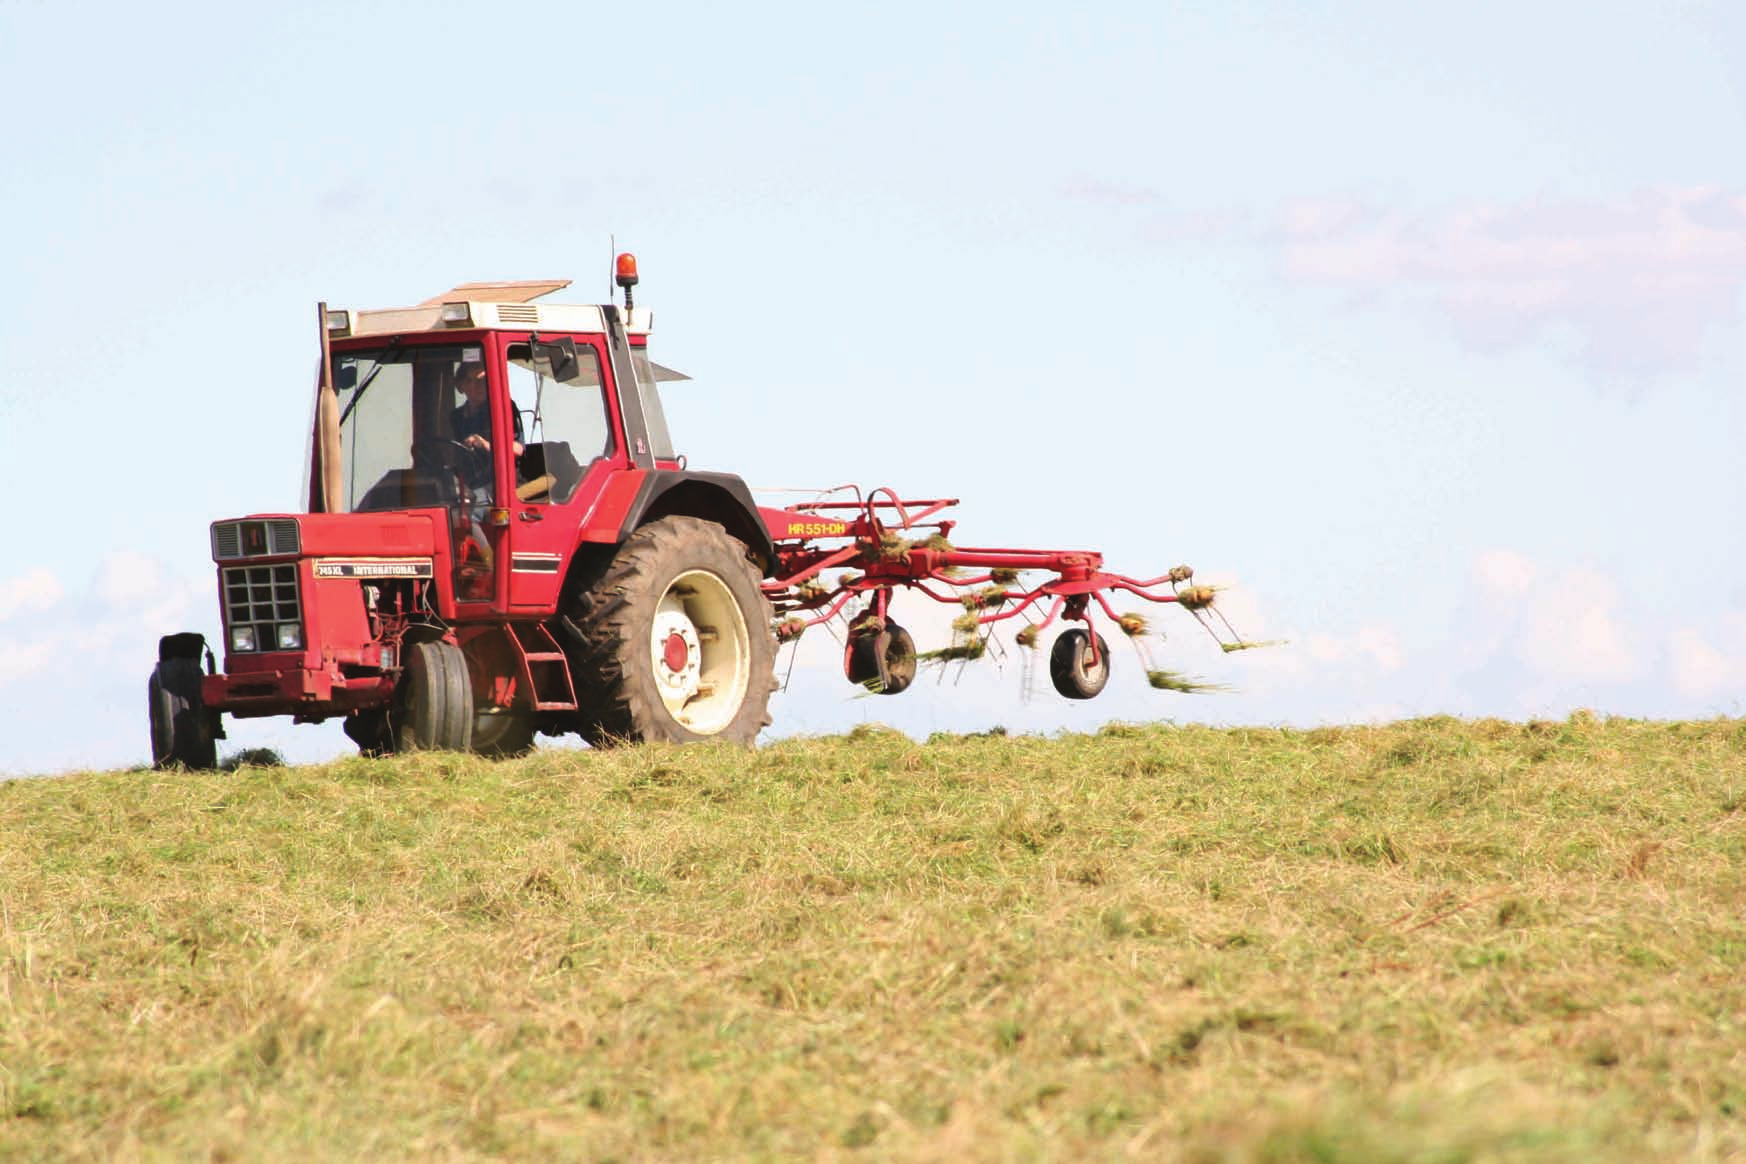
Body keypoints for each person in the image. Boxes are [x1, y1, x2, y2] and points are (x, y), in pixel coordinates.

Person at [450, 362, 524, 497]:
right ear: (460, 386)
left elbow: (517, 449)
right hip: (468, 484)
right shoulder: (456, 417)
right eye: (469, 381)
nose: (475, 386)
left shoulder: (504, 408)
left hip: (501, 486)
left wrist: (484, 444)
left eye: (481, 381)